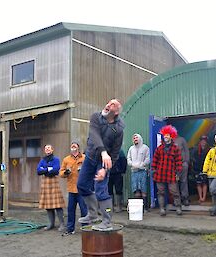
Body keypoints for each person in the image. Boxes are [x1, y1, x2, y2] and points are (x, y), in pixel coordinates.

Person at [77, 99, 125, 231]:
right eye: (109, 103)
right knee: (81, 185)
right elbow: (94, 135)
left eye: (113, 105)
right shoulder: (95, 117)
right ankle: (92, 214)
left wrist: (105, 169)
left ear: (116, 113)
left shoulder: (119, 129)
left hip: (104, 162)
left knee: (101, 190)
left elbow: (115, 153)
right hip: (91, 156)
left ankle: (107, 221)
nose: (108, 105)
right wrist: (103, 152)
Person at [151, 125, 183, 216]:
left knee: (174, 191)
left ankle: (178, 207)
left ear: (171, 136)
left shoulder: (175, 148)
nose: (165, 136)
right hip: (160, 174)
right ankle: (162, 209)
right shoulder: (159, 148)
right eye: (164, 135)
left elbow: (179, 161)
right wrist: (153, 170)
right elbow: (155, 160)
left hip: (171, 173)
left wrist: (178, 173)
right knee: (160, 192)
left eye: (167, 135)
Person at [59, 141, 87, 236]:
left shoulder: (84, 158)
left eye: (75, 146)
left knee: (84, 210)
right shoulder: (66, 159)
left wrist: (83, 170)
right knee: (70, 210)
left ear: (78, 148)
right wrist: (65, 172)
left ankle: (86, 228)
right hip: (71, 189)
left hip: (82, 188)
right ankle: (70, 229)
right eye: (72, 146)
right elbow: (61, 173)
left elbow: (90, 170)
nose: (73, 147)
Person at [37, 144, 65, 231]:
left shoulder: (56, 159)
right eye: (46, 148)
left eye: (49, 148)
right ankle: (51, 224)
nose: (47, 149)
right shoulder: (42, 160)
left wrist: (44, 169)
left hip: (54, 182)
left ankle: (62, 224)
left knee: (58, 205)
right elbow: (38, 170)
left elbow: (56, 169)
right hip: (45, 183)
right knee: (48, 205)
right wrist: (48, 169)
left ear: (52, 150)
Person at [127, 133, 150, 211]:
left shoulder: (145, 148)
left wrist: (142, 164)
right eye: (134, 138)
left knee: (143, 189)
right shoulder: (131, 149)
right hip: (134, 172)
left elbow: (148, 159)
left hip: (142, 171)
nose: (135, 139)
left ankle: (145, 207)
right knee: (135, 189)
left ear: (140, 138)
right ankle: (138, 208)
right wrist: (132, 164)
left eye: (136, 138)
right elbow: (128, 159)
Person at [191, 136, 210, 203]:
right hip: (197, 169)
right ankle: (200, 197)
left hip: (205, 169)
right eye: (202, 141)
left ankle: (203, 197)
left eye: (204, 141)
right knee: (198, 183)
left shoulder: (208, 149)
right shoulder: (195, 149)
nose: (203, 142)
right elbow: (193, 159)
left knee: (204, 183)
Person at [174, 133, 190, 206]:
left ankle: (185, 198)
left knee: (183, 181)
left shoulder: (182, 140)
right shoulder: (169, 141)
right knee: (175, 183)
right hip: (174, 165)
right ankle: (177, 200)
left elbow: (186, 151)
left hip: (183, 163)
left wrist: (187, 161)